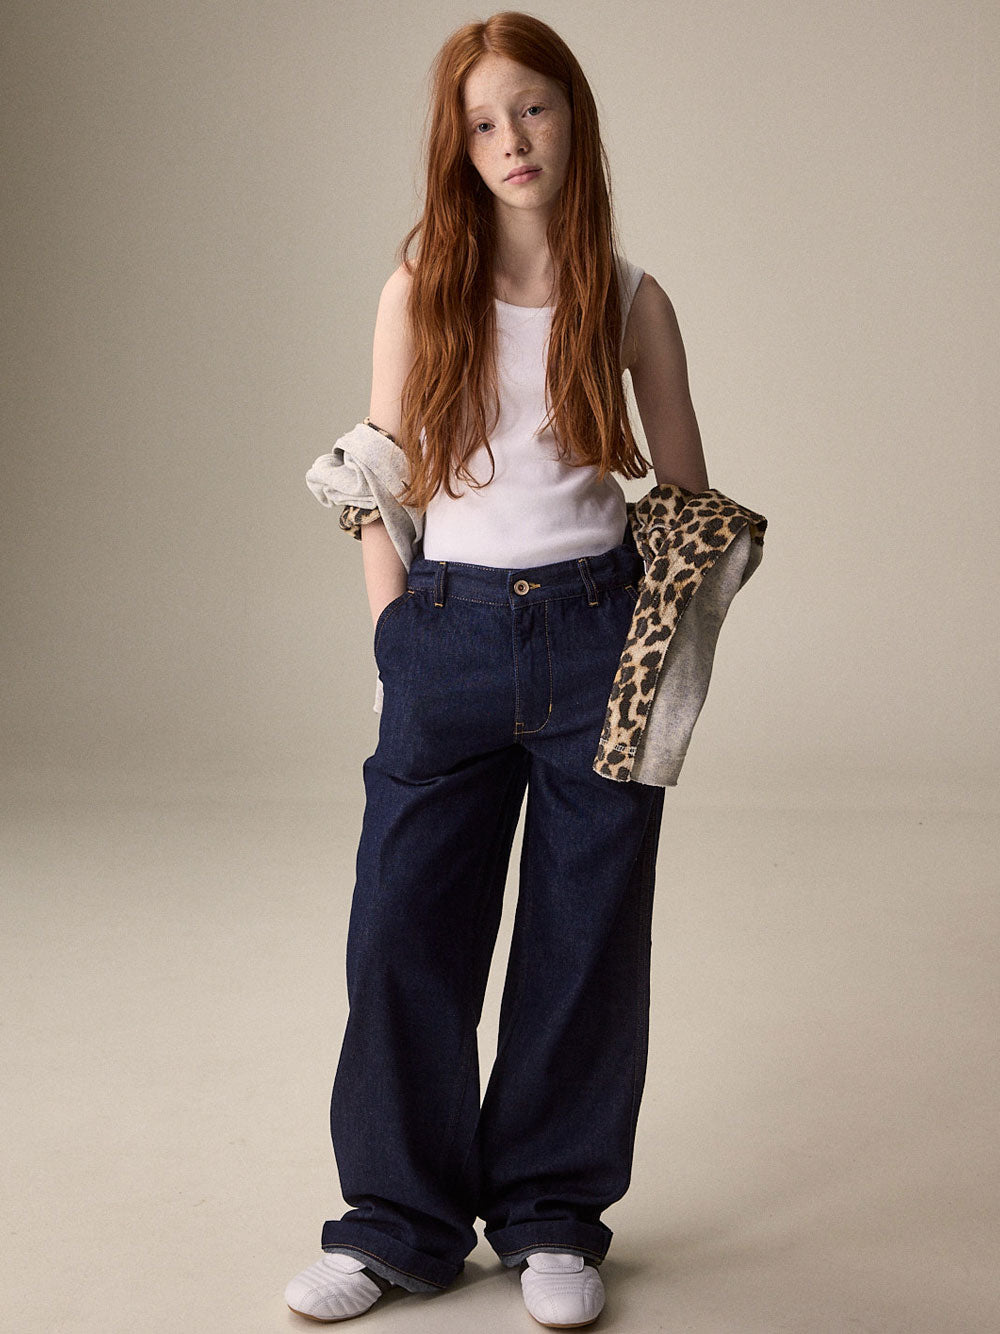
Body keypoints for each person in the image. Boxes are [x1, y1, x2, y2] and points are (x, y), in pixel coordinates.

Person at [286, 11, 710, 1327]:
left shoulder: (630, 297)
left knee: (586, 940)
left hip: (600, 636)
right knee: (403, 926)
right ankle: (393, 1224)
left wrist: (655, 673)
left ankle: (553, 1215)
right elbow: (375, 472)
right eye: (482, 123)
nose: (512, 139)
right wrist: (395, 638)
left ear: (572, 115)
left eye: (531, 108)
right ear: (456, 148)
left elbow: (687, 505)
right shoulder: (422, 285)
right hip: (450, 634)